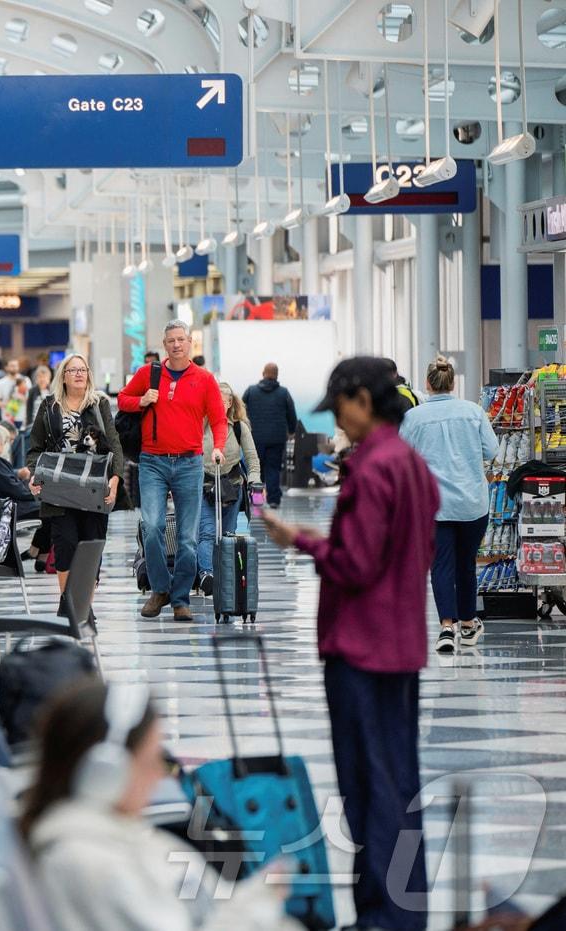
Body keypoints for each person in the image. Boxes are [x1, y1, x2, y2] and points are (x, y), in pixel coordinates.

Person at [261, 357, 437, 931]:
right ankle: (400, 911)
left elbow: (355, 563)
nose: (339, 422)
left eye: (340, 409)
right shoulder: (411, 464)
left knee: (367, 785)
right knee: (398, 781)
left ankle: (384, 918)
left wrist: (300, 542)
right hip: (401, 642)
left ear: (363, 399)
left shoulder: (372, 466)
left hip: (360, 645)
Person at [21, 681, 299, 931]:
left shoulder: (115, 834)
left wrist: (258, 896)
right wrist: (258, 907)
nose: (161, 775)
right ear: (104, 773)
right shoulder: (87, 862)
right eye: (151, 760)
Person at [117, 322, 227, 622]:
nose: (177, 345)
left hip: (190, 463)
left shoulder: (204, 379)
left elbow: (219, 419)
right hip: (152, 461)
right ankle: (159, 589)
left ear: (190, 343)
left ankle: (180, 598)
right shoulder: (148, 374)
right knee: (151, 528)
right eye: (171, 341)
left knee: (188, 538)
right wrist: (141, 400)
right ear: (164, 345)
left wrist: (218, 446)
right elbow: (122, 399)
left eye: (181, 339)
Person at [400, 355, 497, 655]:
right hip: (471, 504)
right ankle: (468, 623)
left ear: (428, 384)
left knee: (440, 565)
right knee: (465, 564)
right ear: (453, 383)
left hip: (433, 506)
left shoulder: (413, 418)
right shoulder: (473, 411)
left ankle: (446, 627)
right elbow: (492, 450)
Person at [26, 353, 124, 593]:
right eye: (73, 370)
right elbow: (35, 448)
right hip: (59, 487)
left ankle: (84, 607)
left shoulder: (99, 403)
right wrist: (34, 475)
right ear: (63, 376)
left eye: (83, 369)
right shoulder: (49, 406)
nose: (79, 374)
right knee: (66, 545)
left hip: (93, 486)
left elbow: (114, 444)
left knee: (92, 545)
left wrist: (115, 479)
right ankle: (67, 603)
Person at [196, 383, 262, 595]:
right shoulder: (199, 425)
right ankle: (207, 575)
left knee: (228, 534)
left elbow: (252, 458)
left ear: (230, 403)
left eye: (222, 401)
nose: (217, 405)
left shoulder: (239, 427)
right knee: (206, 533)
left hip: (232, 486)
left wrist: (254, 482)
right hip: (204, 484)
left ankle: (226, 574)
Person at [242, 363, 299, 509]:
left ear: (263, 373)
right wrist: (292, 430)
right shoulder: (284, 393)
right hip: (277, 438)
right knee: (273, 469)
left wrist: (243, 430)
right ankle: (273, 499)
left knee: (256, 468)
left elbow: (240, 410)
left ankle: (257, 499)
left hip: (256, 438)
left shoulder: (251, 391)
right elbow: (292, 415)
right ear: (277, 375)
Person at [0, 358, 22, 423]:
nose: (14, 368)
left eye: (16, 366)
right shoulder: (1, 382)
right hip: (7, 419)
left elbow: (31, 399)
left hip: (23, 419)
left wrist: (22, 398)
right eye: (12, 366)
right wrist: (7, 404)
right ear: (6, 367)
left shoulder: (26, 380)